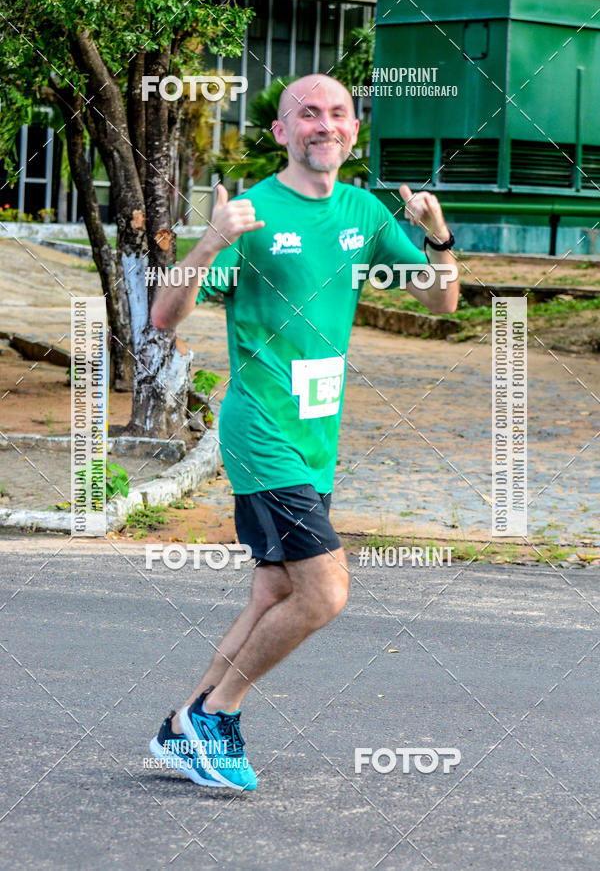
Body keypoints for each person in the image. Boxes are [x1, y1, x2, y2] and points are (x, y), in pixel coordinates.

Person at [149, 73, 458, 791]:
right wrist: (210, 242)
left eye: (339, 113)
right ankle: (216, 718)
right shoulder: (252, 211)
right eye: (307, 114)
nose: (326, 124)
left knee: (272, 596)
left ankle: (181, 724)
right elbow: (165, 315)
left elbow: (441, 301)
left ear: (354, 130)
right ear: (283, 131)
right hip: (262, 430)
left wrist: (437, 235)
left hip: (317, 440)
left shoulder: (363, 212)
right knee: (323, 593)